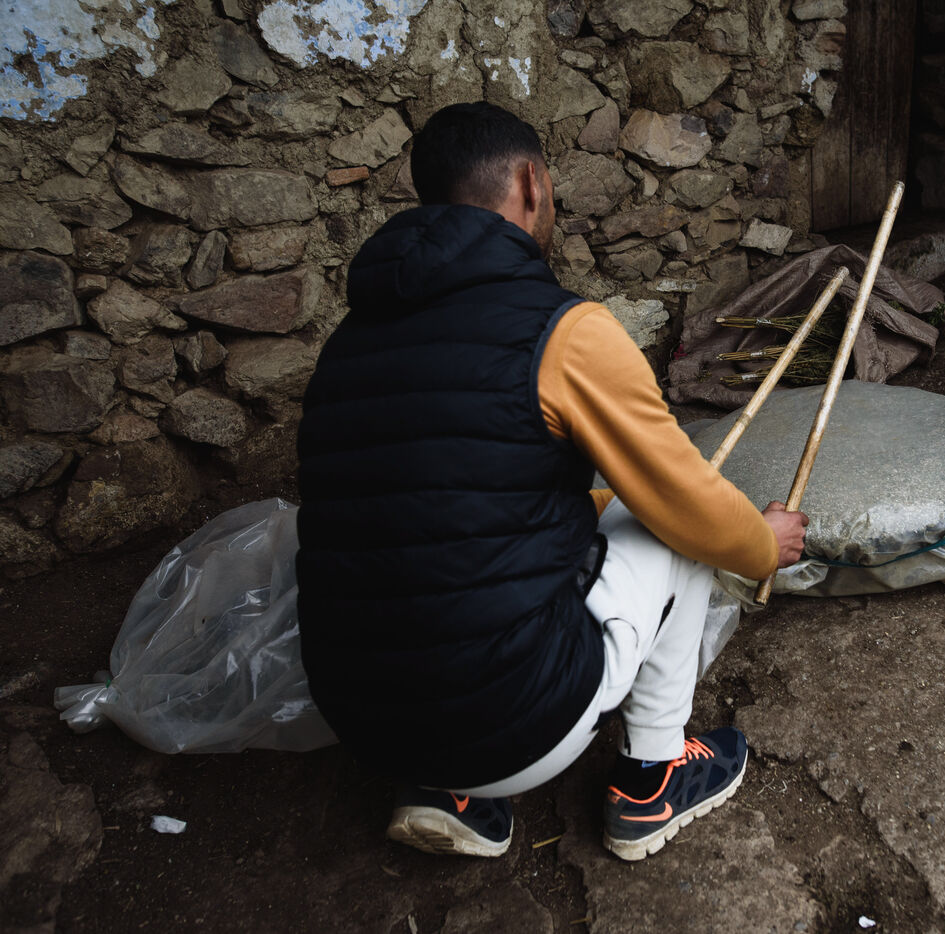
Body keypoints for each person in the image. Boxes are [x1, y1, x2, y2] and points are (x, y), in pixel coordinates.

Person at [295, 101, 808, 862]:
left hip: (364, 723)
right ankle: (654, 777)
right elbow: (687, 505)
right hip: (508, 724)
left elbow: (456, 503)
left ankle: (449, 793)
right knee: (677, 530)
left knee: (443, 564)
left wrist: (598, 507)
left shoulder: (348, 343)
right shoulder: (563, 331)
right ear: (532, 184)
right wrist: (761, 543)